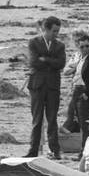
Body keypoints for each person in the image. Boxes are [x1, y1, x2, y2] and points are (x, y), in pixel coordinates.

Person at [26, 16, 66, 160]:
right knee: (37, 120)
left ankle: (55, 150)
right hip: (37, 85)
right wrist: (51, 62)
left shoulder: (60, 45)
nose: (56, 34)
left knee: (52, 119)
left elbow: (61, 63)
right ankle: (33, 150)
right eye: (54, 31)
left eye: (57, 31)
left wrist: (45, 59)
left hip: (53, 86)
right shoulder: (34, 42)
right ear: (46, 29)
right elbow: (33, 62)